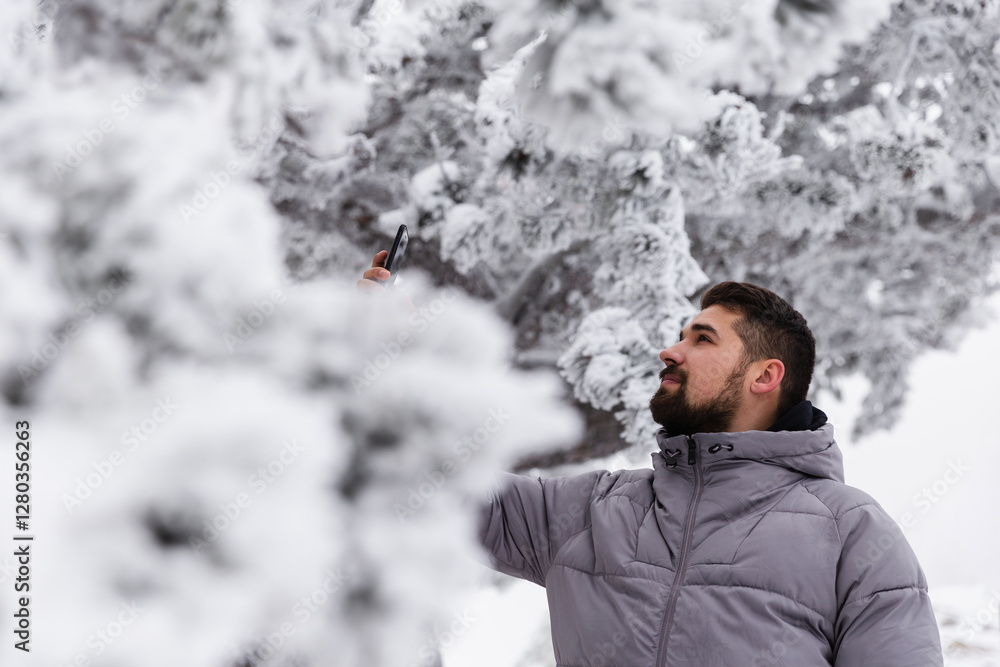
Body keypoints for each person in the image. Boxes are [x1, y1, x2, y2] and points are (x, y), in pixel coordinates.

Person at [358, 257, 944, 666]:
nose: (671, 350)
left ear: (765, 376)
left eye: (702, 339)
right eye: (681, 335)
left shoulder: (852, 532)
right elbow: (436, 484)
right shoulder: (592, 510)